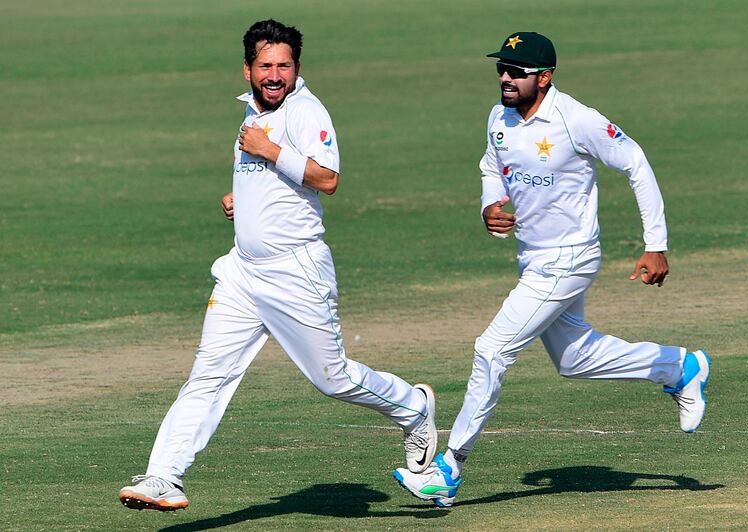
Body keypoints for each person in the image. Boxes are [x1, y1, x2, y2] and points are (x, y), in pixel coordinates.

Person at [119, 19, 436, 512]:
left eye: (283, 66)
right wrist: (239, 199)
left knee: (333, 379)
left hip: (296, 272)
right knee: (208, 375)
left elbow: (326, 179)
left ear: (296, 69)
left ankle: (414, 408)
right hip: (243, 274)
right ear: (247, 69)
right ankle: (164, 477)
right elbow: (265, 179)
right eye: (265, 65)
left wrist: (270, 150)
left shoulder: (307, 113)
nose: (274, 74)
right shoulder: (249, 113)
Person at [392, 31, 711, 508]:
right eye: (501, 68)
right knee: (574, 358)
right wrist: (489, 205)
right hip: (533, 258)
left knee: (492, 349)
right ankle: (680, 367)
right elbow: (489, 165)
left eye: (516, 71)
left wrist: (655, 245)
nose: (505, 77)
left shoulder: (574, 118)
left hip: (569, 258)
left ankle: (448, 467)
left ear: (545, 77)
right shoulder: (499, 118)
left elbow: (636, 162)